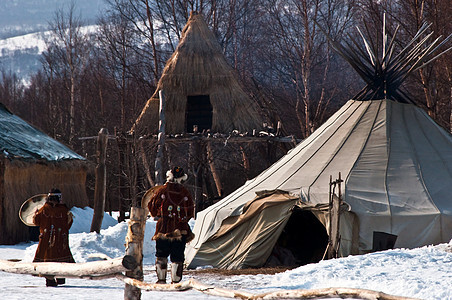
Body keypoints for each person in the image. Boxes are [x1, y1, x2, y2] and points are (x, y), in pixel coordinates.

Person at [148, 166, 195, 284]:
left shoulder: (161, 191)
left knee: (161, 255)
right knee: (178, 257)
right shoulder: (185, 193)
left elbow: (152, 208)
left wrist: (160, 213)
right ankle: (175, 282)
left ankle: (161, 280)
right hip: (181, 229)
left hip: (163, 228)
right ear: (182, 178)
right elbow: (190, 212)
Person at [33, 188, 75, 287]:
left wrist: (36, 214)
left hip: (46, 240)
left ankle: (50, 280)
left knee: (47, 258)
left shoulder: (44, 209)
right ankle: (60, 279)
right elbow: (68, 224)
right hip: (60, 239)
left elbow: (36, 222)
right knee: (60, 257)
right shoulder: (64, 210)